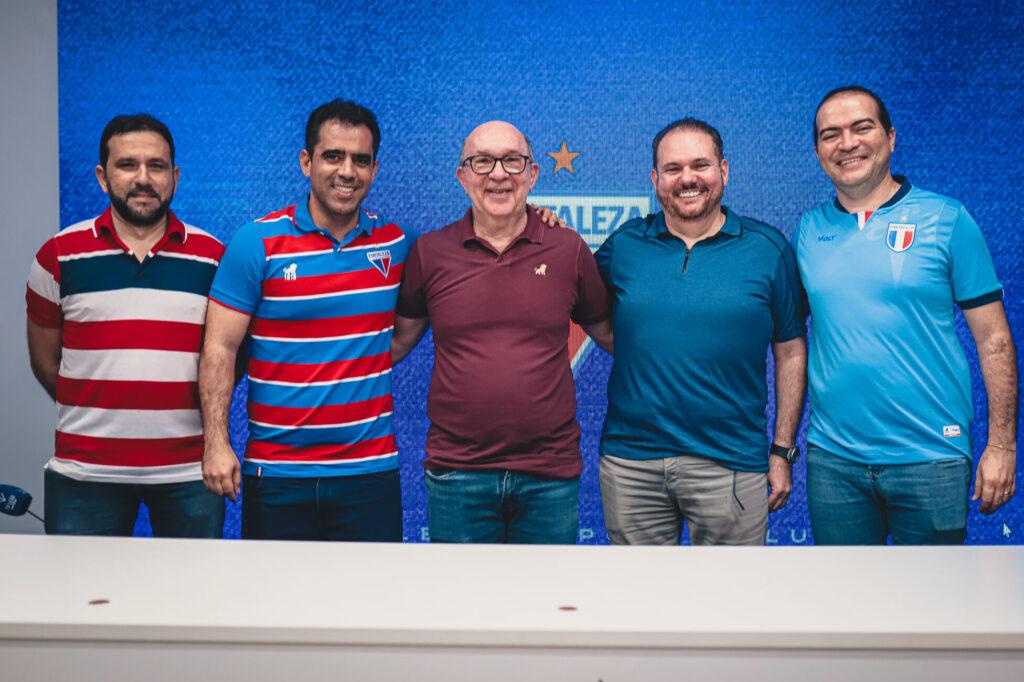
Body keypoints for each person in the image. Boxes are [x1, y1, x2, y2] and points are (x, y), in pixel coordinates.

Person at [796, 86, 1018, 544]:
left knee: (933, 593)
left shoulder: (948, 219)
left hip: (931, 457)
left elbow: (994, 339)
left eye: (862, 128)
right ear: (817, 151)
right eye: (830, 135)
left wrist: (1001, 445)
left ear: (891, 138)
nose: (847, 143)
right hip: (834, 461)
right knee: (843, 593)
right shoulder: (808, 229)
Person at [199, 100, 415, 541]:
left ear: (375, 168)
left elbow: (417, 316)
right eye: (333, 156)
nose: (347, 171)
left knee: (373, 590)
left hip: (369, 476)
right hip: (276, 475)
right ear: (306, 162)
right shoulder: (257, 243)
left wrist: (539, 218)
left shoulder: (397, 244)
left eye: (361, 160)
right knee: (274, 590)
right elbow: (220, 349)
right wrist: (216, 443)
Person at [391, 120, 612, 544]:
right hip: (457, 474)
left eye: (512, 161)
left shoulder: (568, 249)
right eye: (482, 162)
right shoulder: (430, 253)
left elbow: (612, 335)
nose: (498, 174)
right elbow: (396, 342)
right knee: (460, 591)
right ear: (462, 176)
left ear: (532, 174)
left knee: (548, 589)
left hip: (548, 475)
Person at [595, 118, 807, 546]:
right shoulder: (624, 245)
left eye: (700, 165)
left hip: (731, 463)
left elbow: (791, 352)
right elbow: (582, 303)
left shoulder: (768, 248)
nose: (687, 178)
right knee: (637, 589)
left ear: (723, 171)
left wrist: (782, 451)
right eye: (672, 169)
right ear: (655, 179)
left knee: (732, 590)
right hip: (632, 463)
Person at [25, 114, 226, 537]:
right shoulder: (57, 257)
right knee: (79, 583)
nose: (143, 179)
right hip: (84, 474)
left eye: (156, 166)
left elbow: (228, 360)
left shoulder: (213, 259)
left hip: (189, 472)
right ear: (102, 177)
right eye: (127, 165)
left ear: (175, 176)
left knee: (196, 582)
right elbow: (46, 362)